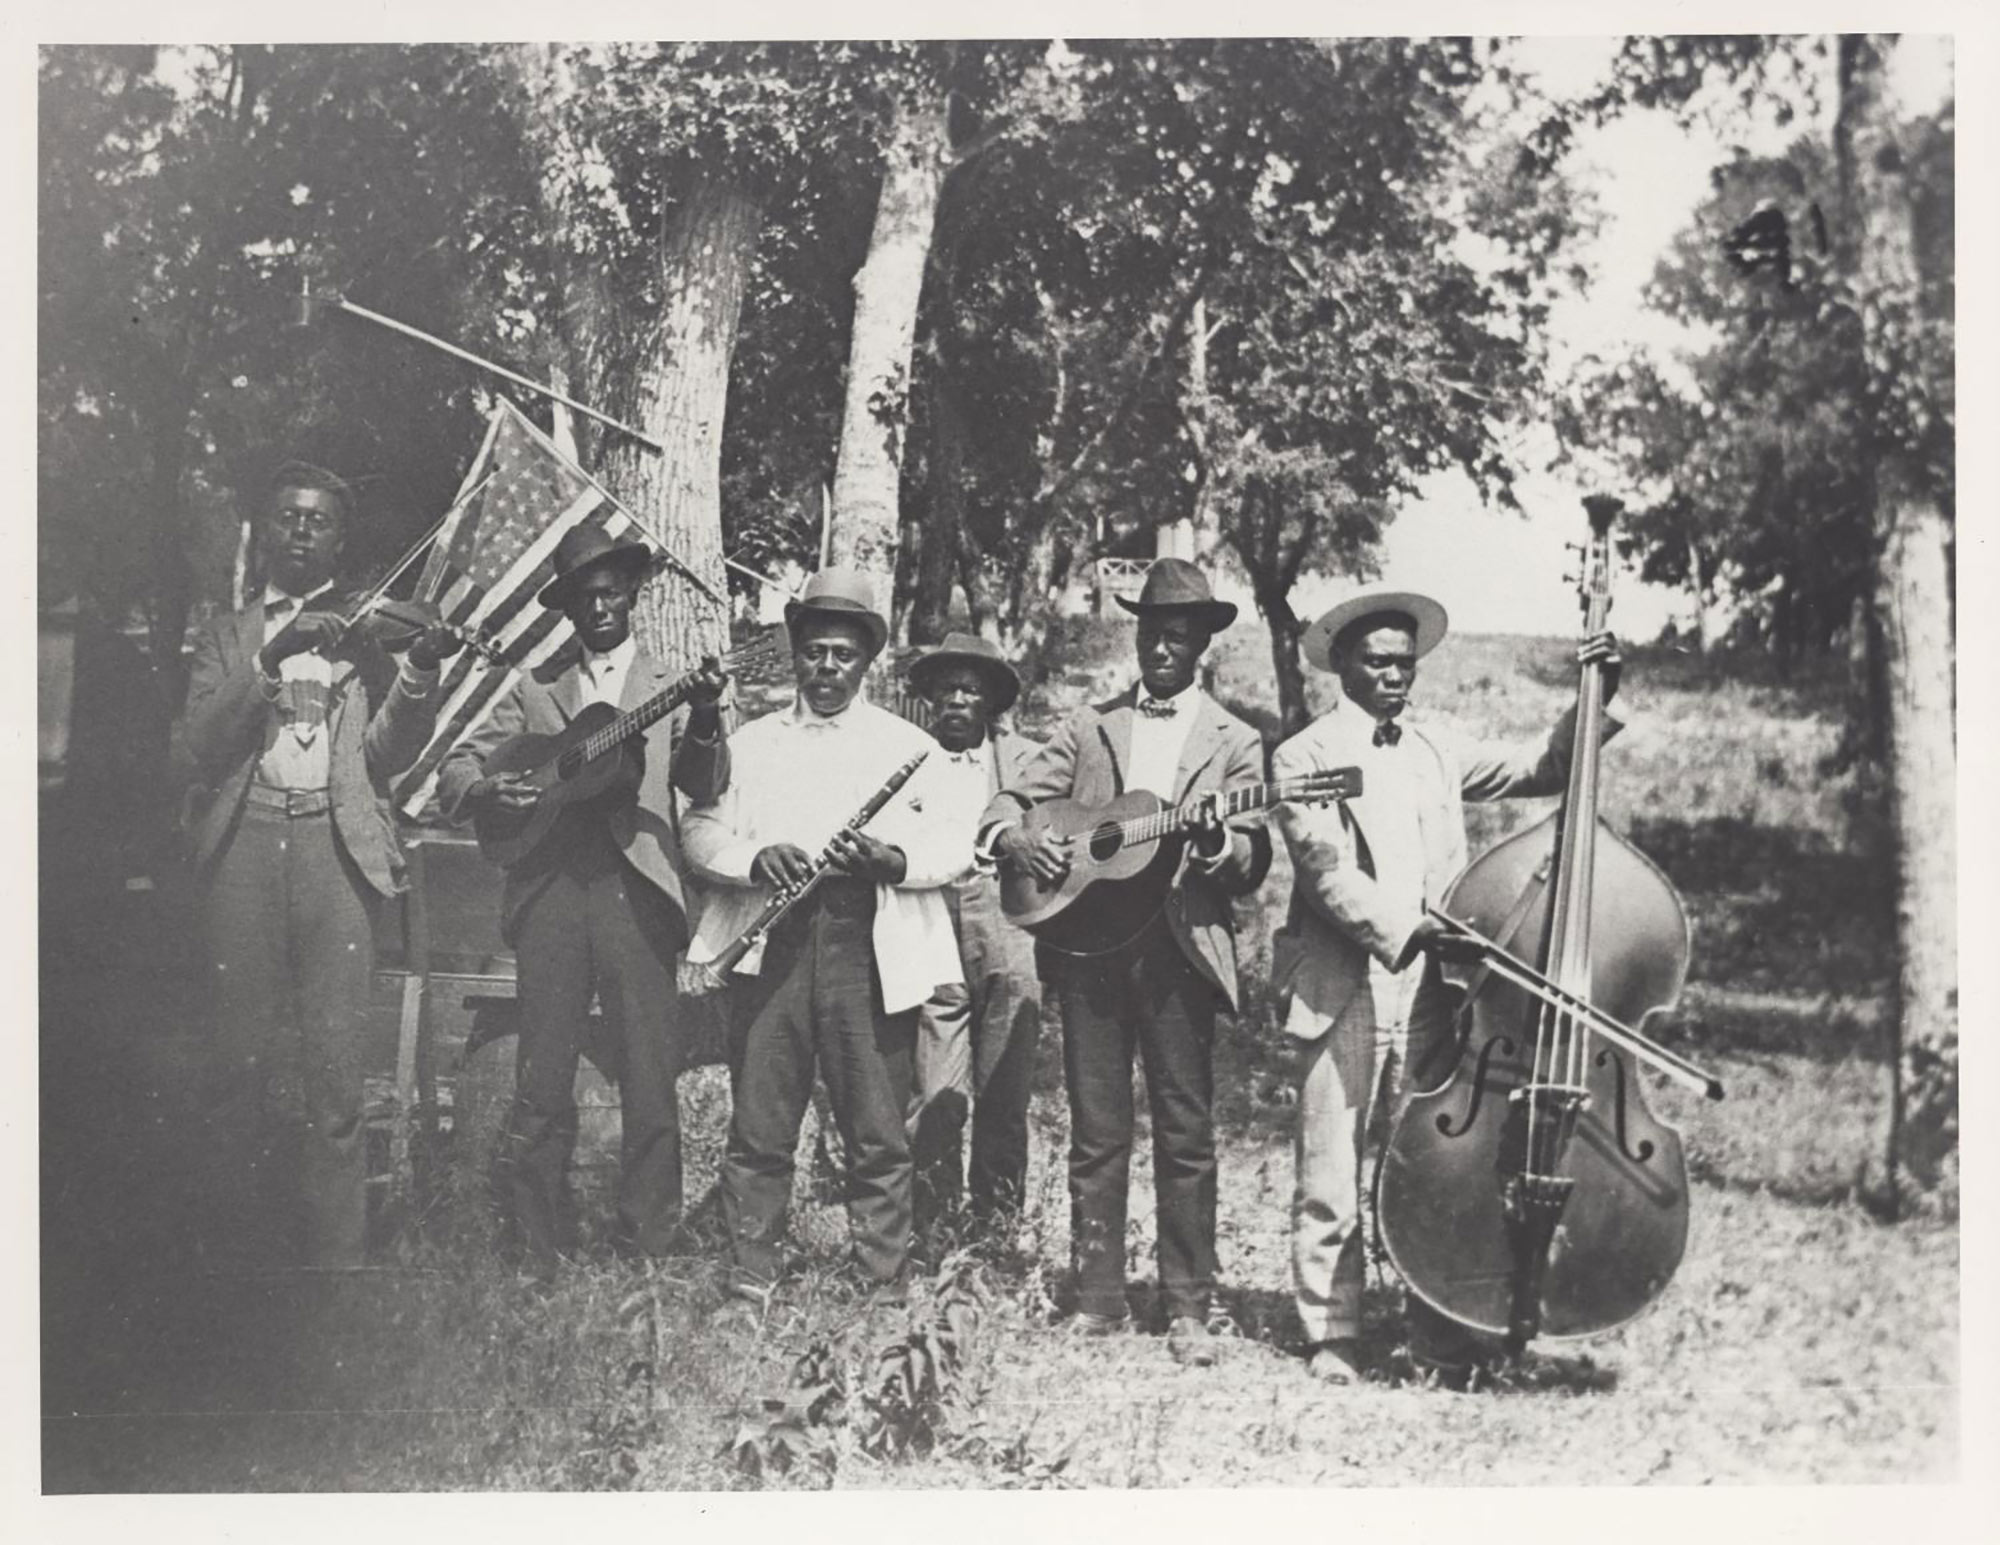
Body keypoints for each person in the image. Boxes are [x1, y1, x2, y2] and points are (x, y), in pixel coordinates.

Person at [1270, 584, 1623, 1387]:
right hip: (1343, 983)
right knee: (1331, 1166)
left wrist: (1596, 695)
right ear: (1345, 668)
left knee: (1426, 1159)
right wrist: (1413, 927)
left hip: (1432, 991)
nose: (1396, 676)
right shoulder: (1304, 755)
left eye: (1406, 663)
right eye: (1378, 663)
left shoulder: (1436, 747)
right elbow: (1326, 873)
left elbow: (1547, 765)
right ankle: (1333, 1331)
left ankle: (1434, 1320)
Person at [981, 558, 1271, 1366]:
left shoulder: (1235, 740)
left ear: (1202, 645)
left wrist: (1216, 838)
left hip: (1179, 951)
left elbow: (1251, 856)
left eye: (1178, 636)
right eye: (1151, 631)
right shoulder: (1090, 724)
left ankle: (1188, 1307)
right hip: (1089, 951)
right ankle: (1098, 1297)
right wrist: (1016, 837)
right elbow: (1013, 796)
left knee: (1185, 1132)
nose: (1162, 648)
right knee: (1096, 1129)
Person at [176, 461, 460, 1270]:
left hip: (336, 852)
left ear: (340, 538)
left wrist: (421, 671)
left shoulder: (365, 632)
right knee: (236, 1061)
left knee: (337, 1073)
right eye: (289, 516)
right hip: (245, 846)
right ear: (267, 530)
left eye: (320, 520)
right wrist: (272, 659)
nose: (303, 529)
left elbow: (387, 758)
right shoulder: (229, 630)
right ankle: (227, 1259)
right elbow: (195, 746)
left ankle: (338, 1270)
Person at [438, 526, 729, 1274]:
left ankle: (647, 1252)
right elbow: (460, 763)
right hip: (552, 890)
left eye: (610, 591)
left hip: (637, 891)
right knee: (543, 1074)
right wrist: (485, 787)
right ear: (567, 607)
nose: (598, 606)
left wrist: (702, 714)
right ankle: (533, 1249)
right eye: (582, 596)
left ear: (632, 595)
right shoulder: (538, 686)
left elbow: (705, 783)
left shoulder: (667, 684)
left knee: (648, 1073)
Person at [683, 568, 970, 1317]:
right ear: (795, 654)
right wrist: (754, 858)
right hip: (774, 942)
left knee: (876, 1123)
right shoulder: (751, 742)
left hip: (868, 945)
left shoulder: (912, 747)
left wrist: (893, 861)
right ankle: (751, 1279)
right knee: (761, 1120)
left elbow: (954, 845)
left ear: (868, 657)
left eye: (843, 653)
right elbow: (699, 829)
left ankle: (879, 1283)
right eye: (814, 651)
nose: (827, 668)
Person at [903, 632, 1044, 1244]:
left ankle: (996, 1233)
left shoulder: (1029, 761)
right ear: (931, 698)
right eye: (947, 690)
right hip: (930, 915)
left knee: (1005, 1088)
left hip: (1008, 918)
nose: (958, 701)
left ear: (991, 702)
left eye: (971, 690)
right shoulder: (908, 758)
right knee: (936, 1089)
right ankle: (932, 1229)